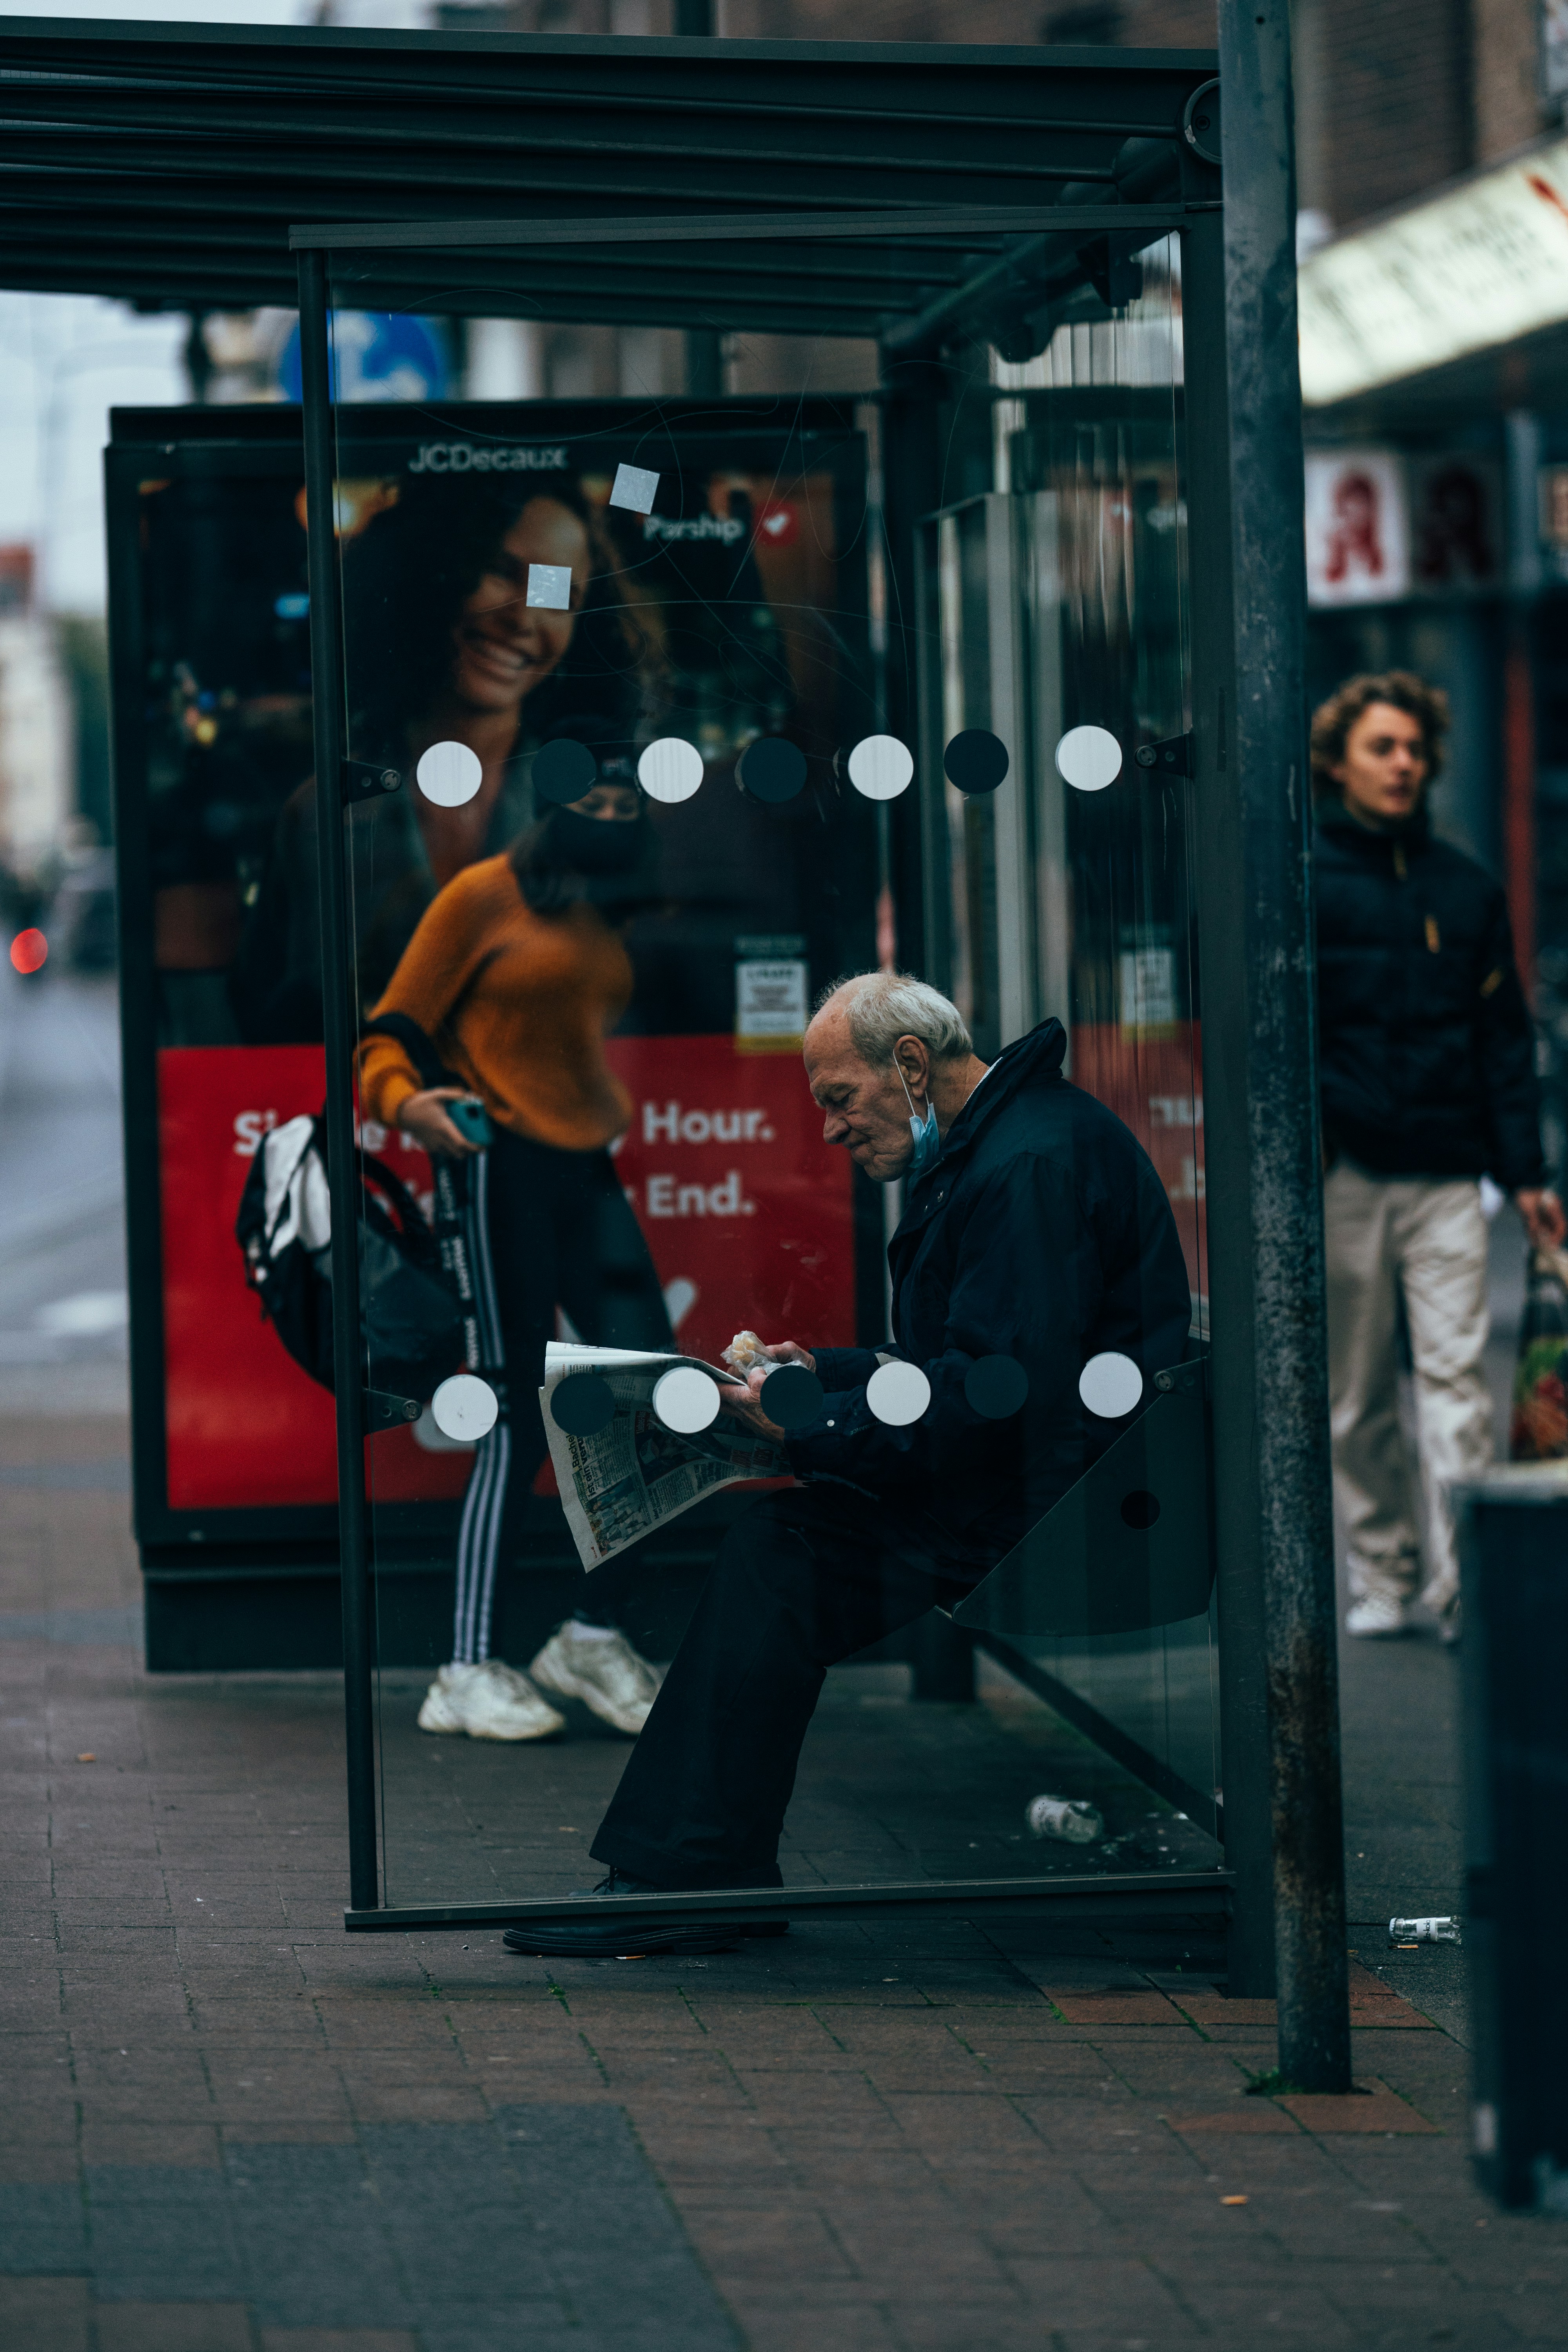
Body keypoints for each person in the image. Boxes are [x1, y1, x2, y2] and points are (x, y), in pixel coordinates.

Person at [500, 970, 1193, 1957]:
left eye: (837, 1098)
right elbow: (975, 1365)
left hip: (1047, 1503)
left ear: (909, 1066)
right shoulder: (1008, 1142)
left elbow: (994, 1397)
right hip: (1036, 1474)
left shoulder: (1024, 1164)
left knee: (778, 1560)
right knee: (778, 1553)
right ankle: (697, 1873)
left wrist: (813, 1430)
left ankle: (690, 1878)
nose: (828, 1129)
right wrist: (817, 1375)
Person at [356, 731, 675, 1744]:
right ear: (555, 800)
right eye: (600, 804)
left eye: (632, 809)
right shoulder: (484, 894)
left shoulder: (605, 900)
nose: (614, 820)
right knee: (510, 1408)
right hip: (495, 1165)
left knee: (651, 1394)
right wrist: (411, 1108)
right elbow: (386, 1034)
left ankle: (590, 1634)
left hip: (584, 1167)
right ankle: (464, 1667)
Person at [1312, 671, 1564, 1643]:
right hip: (1344, 1176)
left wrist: (1529, 1174)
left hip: (1450, 1178)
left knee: (1456, 1385)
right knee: (1358, 1396)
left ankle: (1461, 1583)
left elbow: (1503, 1042)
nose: (1403, 763)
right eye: (1383, 747)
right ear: (1337, 762)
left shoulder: (1465, 891)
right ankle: (1383, 1571)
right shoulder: (1298, 883)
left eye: (1414, 749)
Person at [234, 472, 638, 1042]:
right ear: (433, 573)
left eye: (557, 595)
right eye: (500, 571)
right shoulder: (326, 811)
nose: (523, 618)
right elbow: (283, 1025)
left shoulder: (594, 810)